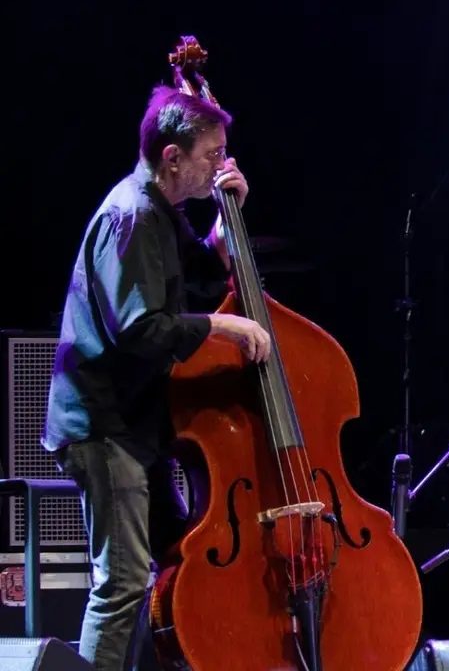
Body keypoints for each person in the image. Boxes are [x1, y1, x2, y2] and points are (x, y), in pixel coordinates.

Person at [44, 85, 271, 670]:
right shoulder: (133, 216)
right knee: (121, 583)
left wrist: (227, 222)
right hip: (103, 424)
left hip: (137, 422)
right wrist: (224, 327)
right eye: (211, 155)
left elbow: (198, 271)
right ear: (173, 157)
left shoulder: (161, 213)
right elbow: (140, 328)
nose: (220, 165)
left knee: (179, 563)